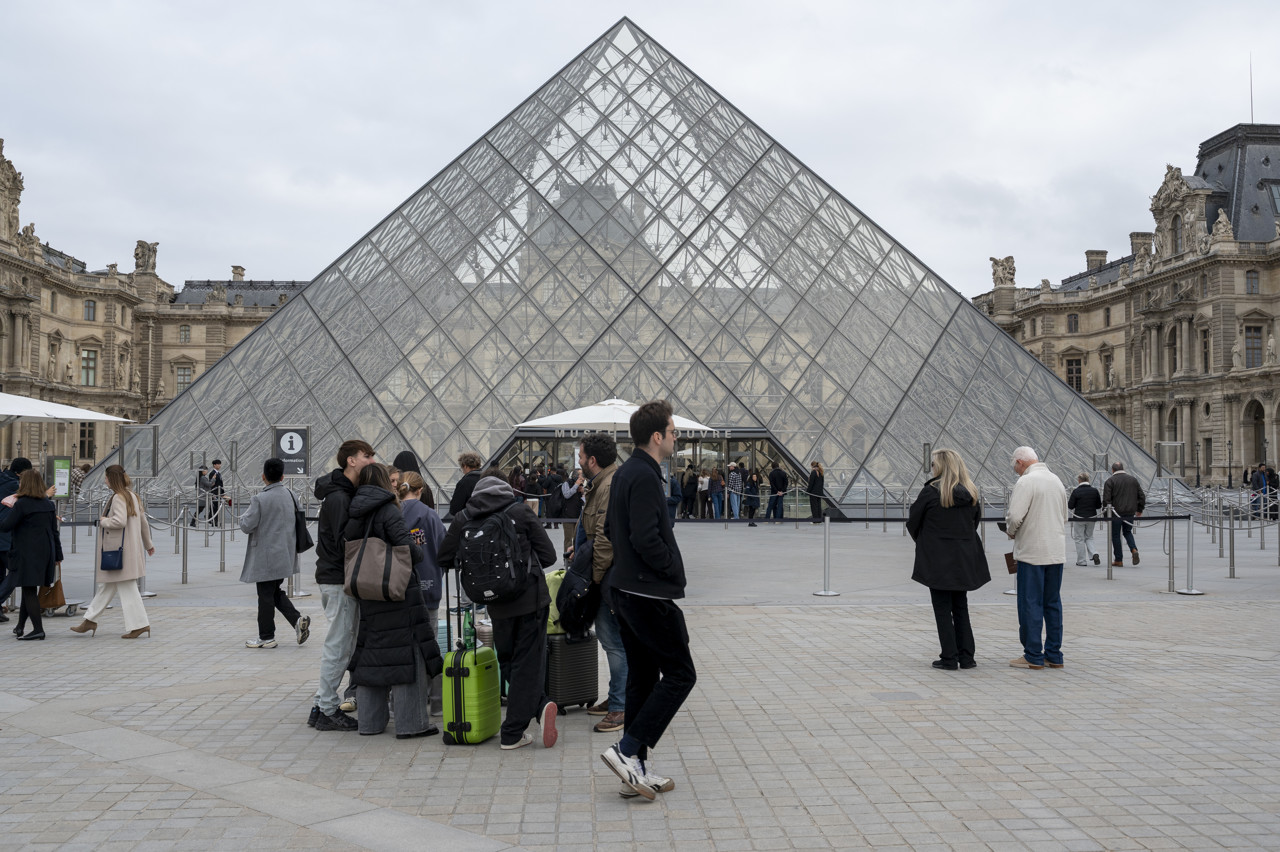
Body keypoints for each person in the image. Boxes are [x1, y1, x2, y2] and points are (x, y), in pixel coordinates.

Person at [600, 400, 696, 800]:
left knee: (642, 677)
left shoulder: (626, 473)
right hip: (646, 593)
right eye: (673, 432)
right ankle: (625, 750)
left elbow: (608, 527)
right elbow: (646, 537)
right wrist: (671, 566)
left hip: (626, 590)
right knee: (680, 674)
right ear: (657, 436)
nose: (677, 437)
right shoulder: (643, 476)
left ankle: (634, 768)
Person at [439, 471, 559, 749]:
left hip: (495, 603)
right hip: (531, 599)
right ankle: (513, 732)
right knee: (528, 662)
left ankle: (538, 705)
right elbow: (550, 556)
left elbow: (443, 557)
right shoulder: (520, 512)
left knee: (508, 660)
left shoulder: (463, 518)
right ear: (507, 489)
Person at [344, 464, 441, 738]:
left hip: (367, 588)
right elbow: (406, 548)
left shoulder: (354, 510)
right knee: (407, 652)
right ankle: (412, 723)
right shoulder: (389, 508)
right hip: (396, 590)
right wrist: (418, 554)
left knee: (372, 652)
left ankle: (370, 723)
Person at [308, 439, 376, 732]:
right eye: (366, 455)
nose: (372, 460)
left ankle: (320, 706)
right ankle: (326, 709)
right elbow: (340, 544)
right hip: (338, 579)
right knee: (339, 644)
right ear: (351, 460)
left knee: (341, 643)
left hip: (336, 578)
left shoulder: (342, 493)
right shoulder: (340, 498)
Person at [906, 449, 989, 670]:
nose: (932, 468)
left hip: (938, 558)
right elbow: (974, 524)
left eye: (934, 464)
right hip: (964, 558)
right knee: (960, 605)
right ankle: (967, 657)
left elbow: (913, 522)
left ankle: (949, 657)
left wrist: (927, 541)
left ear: (941, 467)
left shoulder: (931, 493)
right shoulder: (971, 493)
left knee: (942, 607)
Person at [573, 434, 625, 734]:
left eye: (580, 457)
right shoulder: (603, 483)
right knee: (612, 641)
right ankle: (617, 697)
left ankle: (619, 707)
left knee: (613, 643)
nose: (578, 461)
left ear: (592, 460)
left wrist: (593, 576)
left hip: (606, 575)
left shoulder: (607, 486)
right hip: (605, 570)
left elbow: (604, 537)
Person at [1005, 446, 1068, 670]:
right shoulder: (1056, 480)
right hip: (1056, 551)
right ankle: (1054, 654)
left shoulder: (1026, 482)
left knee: (1030, 602)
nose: (1016, 471)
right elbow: (1065, 516)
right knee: (1052, 603)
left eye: (1015, 467)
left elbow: (1014, 516)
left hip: (1032, 552)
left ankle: (1033, 654)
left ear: (1020, 462)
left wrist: (1011, 530)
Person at [238, 458, 309, 649]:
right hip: (286, 553)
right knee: (274, 592)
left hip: (266, 556)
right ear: (283, 476)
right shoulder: (291, 495)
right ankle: (297, 620)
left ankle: (267, 637)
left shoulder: (260, 499)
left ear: (263, 477)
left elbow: (246, 525)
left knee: (265, 596)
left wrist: (242, 517)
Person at [399, 470, 446, 715]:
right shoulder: (430, 515)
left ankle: (402, 702)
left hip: (397, 589)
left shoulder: (392, 513)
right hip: (428, 588)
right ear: (420, 490)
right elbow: (443, 551)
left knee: (403, 645)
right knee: (430, 645)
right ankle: (436, 702)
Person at [1, 469, 65, 641]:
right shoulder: (48, 504)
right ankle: (20, 626)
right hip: (46, 553)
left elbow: (6, 526)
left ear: (25, 483)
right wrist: (59, 555)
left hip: (27, 553)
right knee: (30, 588)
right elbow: (54, 532)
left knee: (28, 590)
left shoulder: (22, 504)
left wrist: (8, 507)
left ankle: (38, 629)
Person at [0, 457, 33, 623]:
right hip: (6, 538)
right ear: (21, 473)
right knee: (16, 572)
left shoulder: (3, 480)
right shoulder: (15, 487)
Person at [1101, 461, 1145, 568]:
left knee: (1115, 535)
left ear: (1112, 470)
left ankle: (1119, 560)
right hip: (1130, 512)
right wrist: (1139, 509)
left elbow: (1106, 500)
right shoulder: (1133, 480)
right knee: (1127, 532)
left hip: (1115, 513)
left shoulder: (1110, 481)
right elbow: (1142, 496)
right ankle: (1133, 549)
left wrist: (1106, 516)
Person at [1068, 473, 1102, 567]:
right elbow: (1099, 505)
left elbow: (1070, 506)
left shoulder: (1076, 491)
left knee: (1079, 538)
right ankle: (1094, 552)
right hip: (1092, 517)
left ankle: (1082, 561)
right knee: (1089, 537)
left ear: (1079, 480)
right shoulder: (1094, 491)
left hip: (1079, 517)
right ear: (1088, 480)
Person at [447, 452, 483, 520]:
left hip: (470, 522)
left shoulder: (464, 482)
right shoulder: (487, 478)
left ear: (465, 466)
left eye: (462, 467)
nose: (462, 471)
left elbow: (455, 509)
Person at [561, 469, 584, 560]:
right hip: (568, 515)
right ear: (575, 476)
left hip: (578, 515)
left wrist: (582, 491)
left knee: (577, 538)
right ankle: (567, 559)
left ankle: (576, 558)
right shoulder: (566, 484)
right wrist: (575, 486)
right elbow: (566, 495)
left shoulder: (582, 484)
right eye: (581, 475)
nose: (582, 477)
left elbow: (584, 500)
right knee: (568, 539)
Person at [209, 459, 226, 526]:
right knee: (215, 507)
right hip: (215, 492)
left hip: (219, 492)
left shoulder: (219, 473)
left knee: (217, 507)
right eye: (218, 464)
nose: (219, 465)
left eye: (220, 464)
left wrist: (222, 492)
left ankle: (214, 520)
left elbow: (221, 484)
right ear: (214, 465)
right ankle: (214, 521)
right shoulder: (212, 473)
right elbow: (212, 484)